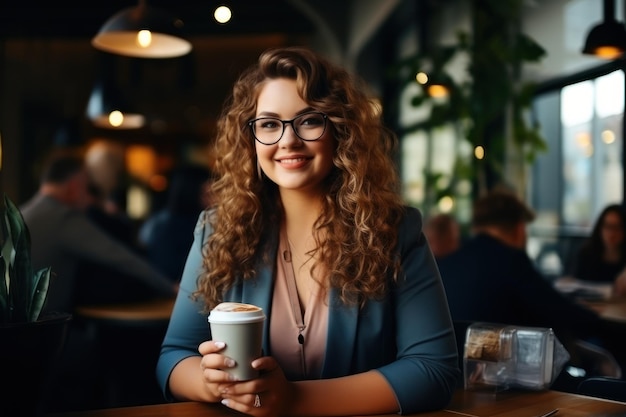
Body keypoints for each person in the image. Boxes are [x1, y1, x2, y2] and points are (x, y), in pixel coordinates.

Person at [156, 46, 460, 416]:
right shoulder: (217, 230)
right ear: (250, 139)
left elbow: (434, 371)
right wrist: (208, 381)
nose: (287, 141)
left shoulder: (394, 231)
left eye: (309, 120)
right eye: (268, 124)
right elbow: (173, 357)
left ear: (340, 130)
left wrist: (295, 401)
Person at [436, 188, 625, 385]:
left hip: (456, 381)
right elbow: (562, 312)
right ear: (519, 229)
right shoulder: (511, 262)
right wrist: (603, 325)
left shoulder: (447, 264)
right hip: (508, 383)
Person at [19, 148, 178, 314]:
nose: (89, 198)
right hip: (47, 330)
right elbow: (120, 257)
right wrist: (170, 287)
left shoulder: (23, 212)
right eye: (86, 188)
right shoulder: (63, 217)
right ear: (74, 187)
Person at [139, 165, 212, 280]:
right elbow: (165, 270)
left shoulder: (202, 222)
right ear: (192, 192)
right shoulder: (167, 226)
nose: (214, 199)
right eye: (207, 194)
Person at [571, 204, 626, 284]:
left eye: (617, 228)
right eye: (607, 226)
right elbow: (577, 282)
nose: (611, 233)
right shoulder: (586, 254)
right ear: (600, 228)